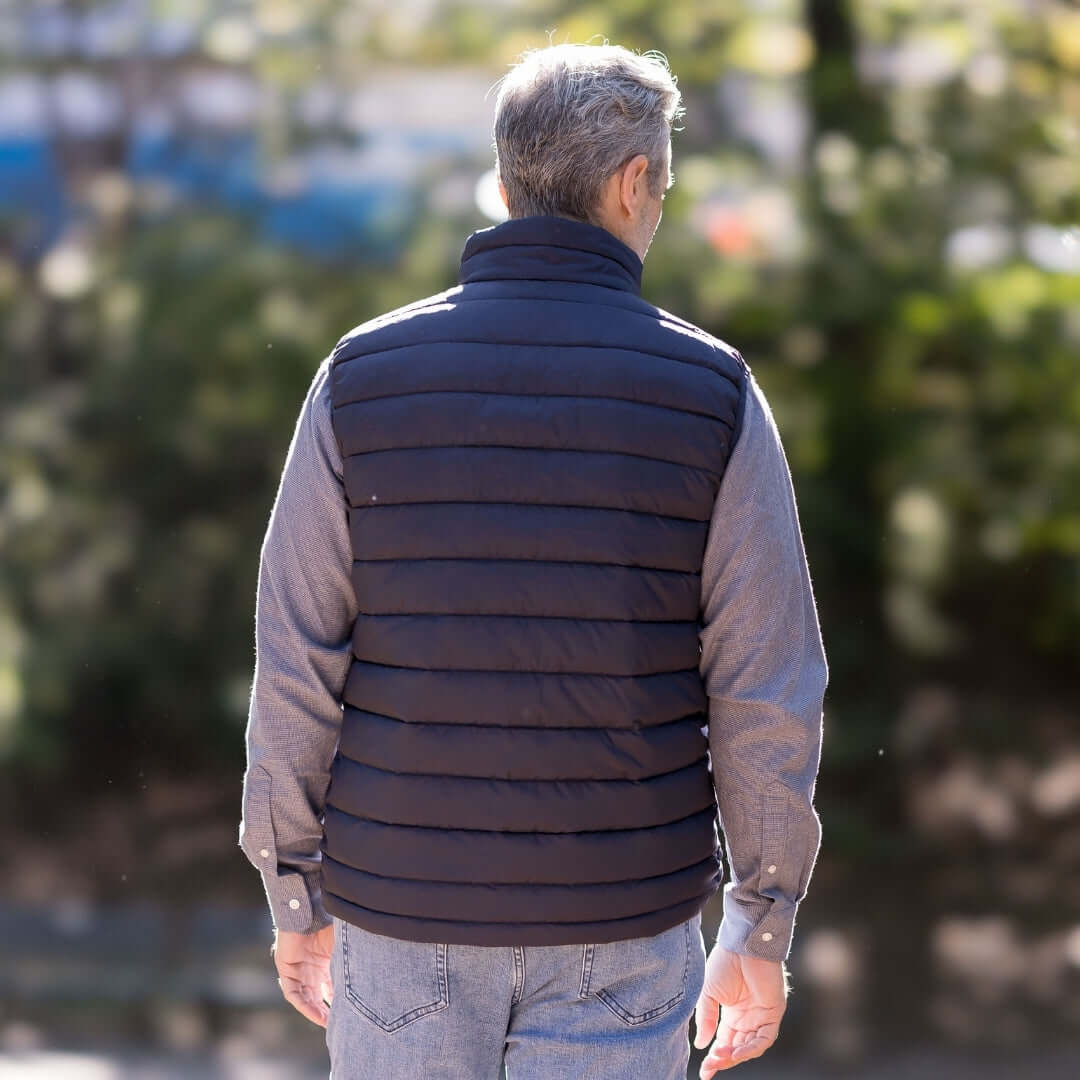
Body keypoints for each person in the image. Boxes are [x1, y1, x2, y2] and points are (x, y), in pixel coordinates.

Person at [239, 42, 827, 1080]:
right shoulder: (716, 394)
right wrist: (760, 921)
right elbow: (765, 684)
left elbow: (297, 661)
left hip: (400, 916)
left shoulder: (358, 379)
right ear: (633, 183)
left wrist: (294, 892)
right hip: (622, 923)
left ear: (506, 186)